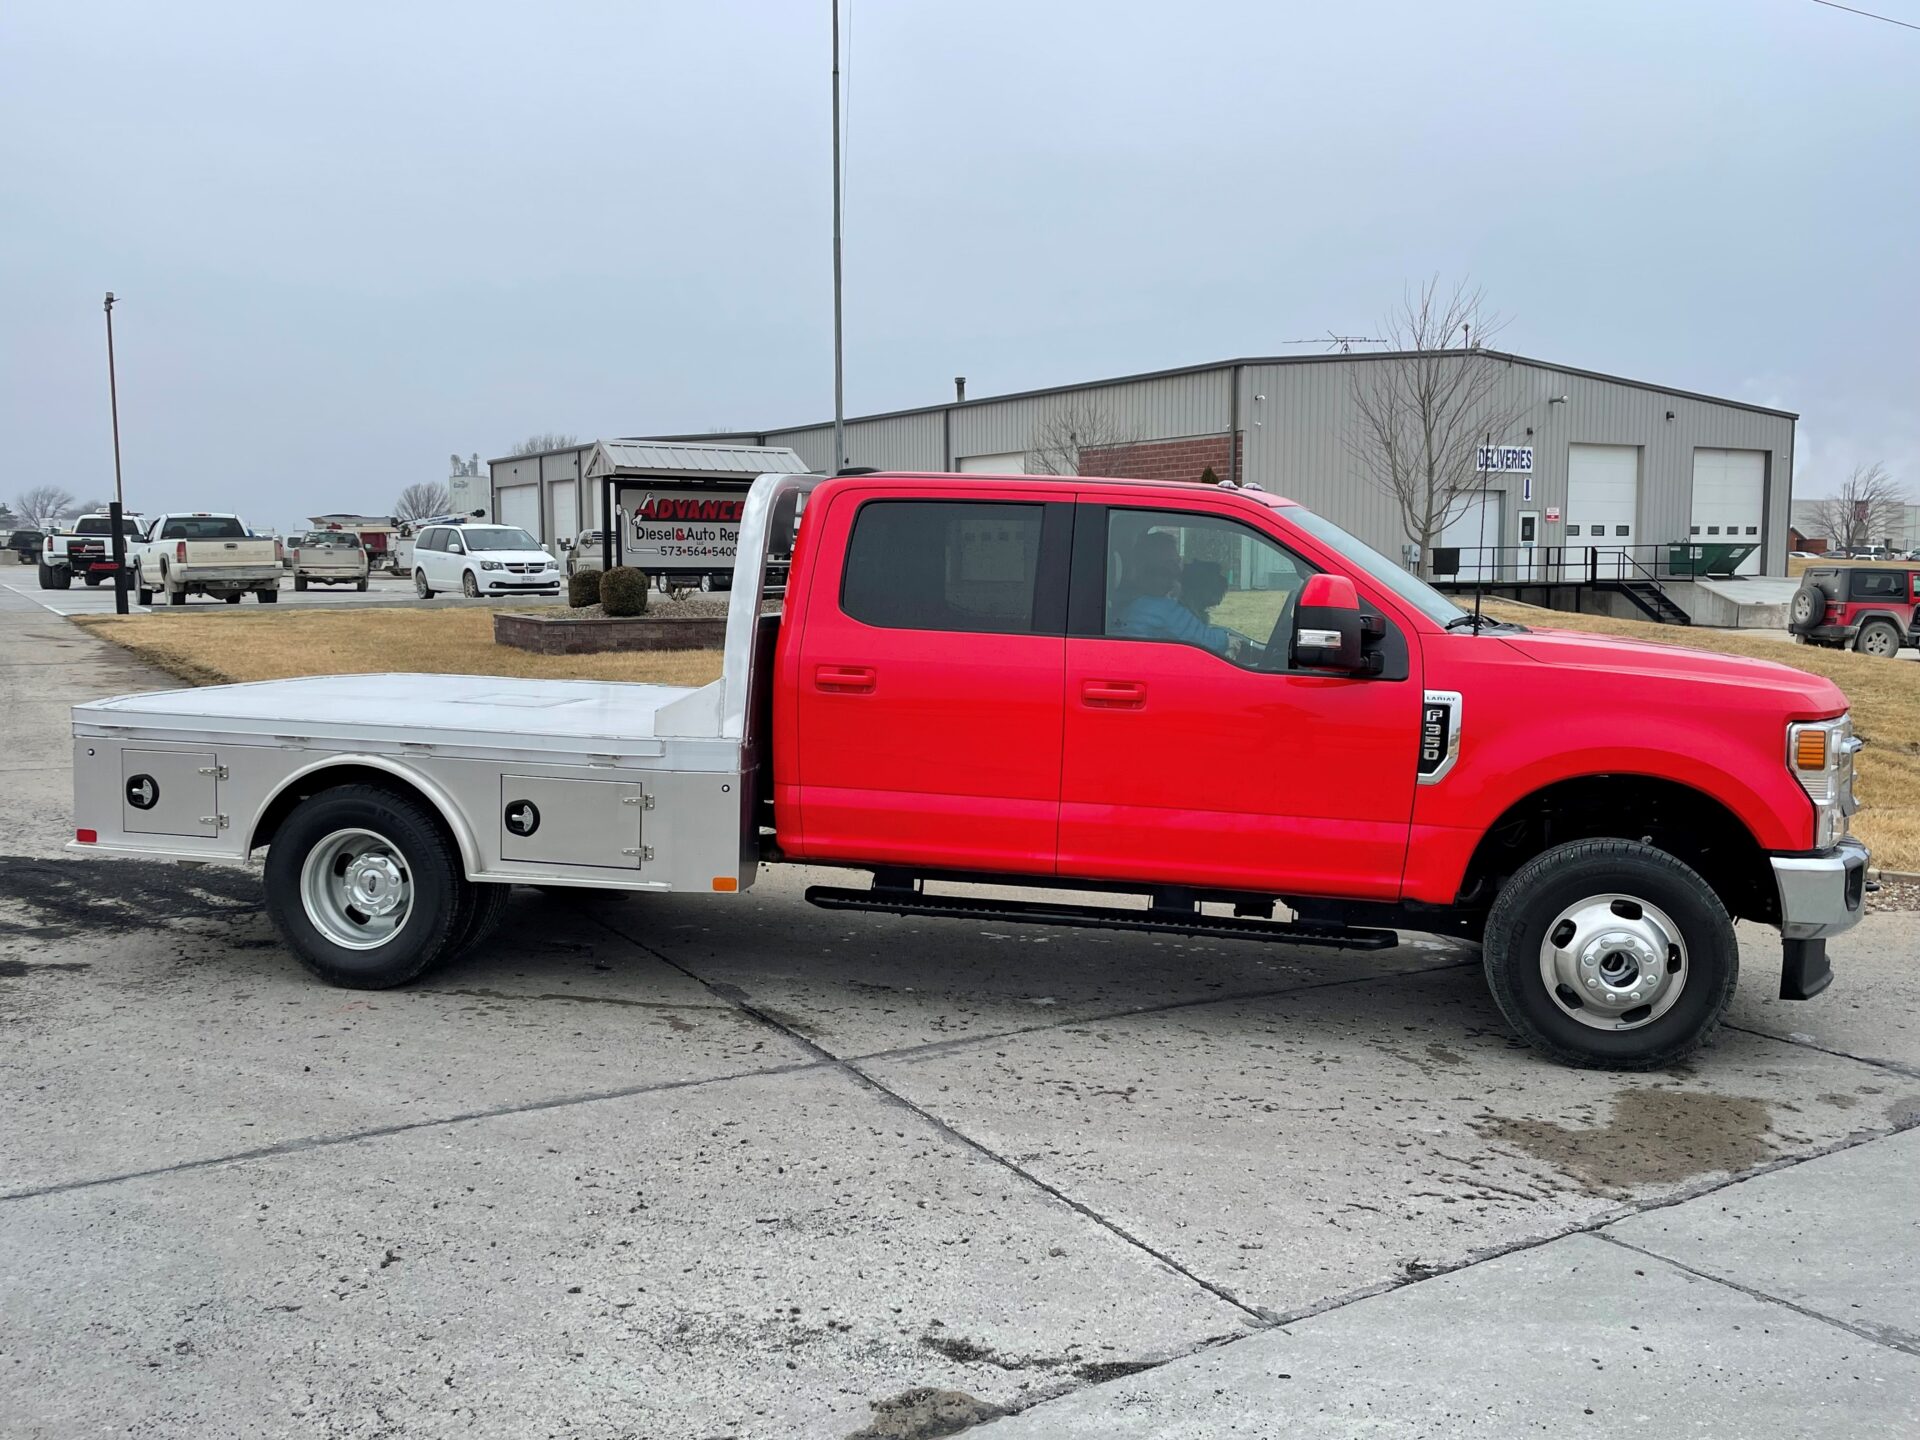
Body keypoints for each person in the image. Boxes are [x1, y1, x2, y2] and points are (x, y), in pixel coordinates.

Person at [1111, 531, 1236, 656]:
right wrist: (1228, 640)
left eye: (1178, 561)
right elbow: (1205, 640)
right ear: (1151, 569)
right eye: (1170, 563)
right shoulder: (1161, 608)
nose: (1177, 570)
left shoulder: (1125, 602)